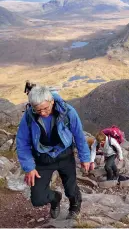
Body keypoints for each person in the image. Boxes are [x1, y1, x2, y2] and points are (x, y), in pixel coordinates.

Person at [16, 86, 90, 220]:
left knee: (70, 188)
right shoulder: (29, 116)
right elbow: (22, 143)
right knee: (37, 199)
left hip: (65, 156)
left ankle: (74, 206)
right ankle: (56, 198)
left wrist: (85, 158)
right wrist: (29, 167)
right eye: (38, 110)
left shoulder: (68, 112)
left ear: (52, 102)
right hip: (42, 159)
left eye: (46, 108)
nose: (43, 113)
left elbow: (79, 135)